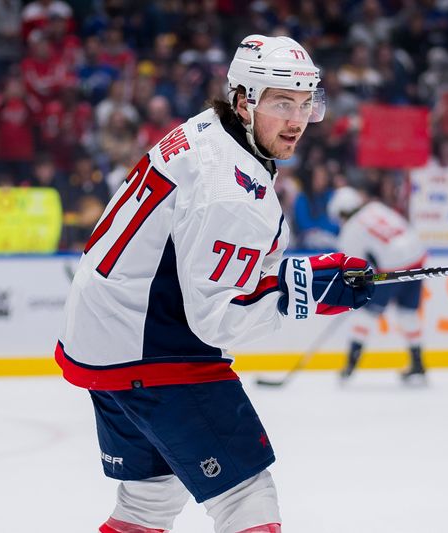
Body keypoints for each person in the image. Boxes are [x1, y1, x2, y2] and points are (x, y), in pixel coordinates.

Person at [55, 35, 373, 533]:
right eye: (282, 102)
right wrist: (310, 288)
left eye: (307, 102)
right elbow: (219, 317)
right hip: (153, 349)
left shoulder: (209, 131)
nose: (297, 119)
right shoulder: (231, 188)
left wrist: (301, 277)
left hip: (103, 337)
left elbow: (205, 259)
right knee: (247, 501)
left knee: (148, 501)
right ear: (245, 101)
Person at [328, 186, 428, 384]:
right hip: (417, 257)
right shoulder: (376, 207)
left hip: (391, 268)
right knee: (408, 313)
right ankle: (418, 364)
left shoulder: (349, 230)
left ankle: (350, 366)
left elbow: (352, 268)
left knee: (366, 315)